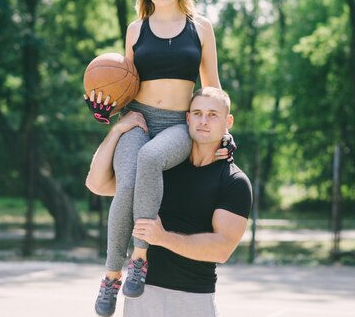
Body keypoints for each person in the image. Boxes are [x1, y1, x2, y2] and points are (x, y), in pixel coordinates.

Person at [84, 0, 232, 317]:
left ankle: (139, 257)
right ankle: (111, 274)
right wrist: (105, 111)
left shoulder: (201, 27)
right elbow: (125, 85)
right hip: (139, 119)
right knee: (128, 181)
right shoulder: (136, 29)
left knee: (150, 158)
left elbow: (212, 86)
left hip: (177, 125)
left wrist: (223, 133)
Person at [86, 87, 252, 317]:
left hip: (194, 298)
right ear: (187, 117)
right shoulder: (160, 166)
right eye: (197, 113)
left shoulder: (234, 181)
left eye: (212, 114)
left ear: (228, 121)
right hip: (141, 294)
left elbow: (221, 249)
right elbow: (97, 184)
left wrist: (162, 238)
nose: (203, 121)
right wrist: (117, 130)